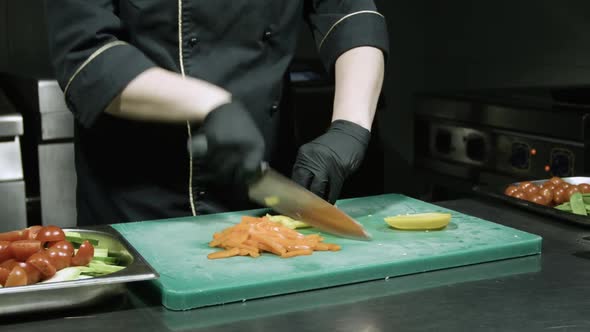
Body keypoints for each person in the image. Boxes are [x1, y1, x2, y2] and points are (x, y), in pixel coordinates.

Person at [44, 1, 389, 226]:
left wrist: (351, 126)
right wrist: (209, 105)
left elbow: (349, 14)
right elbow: (86, 56)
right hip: (139, 208)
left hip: (265, 199)